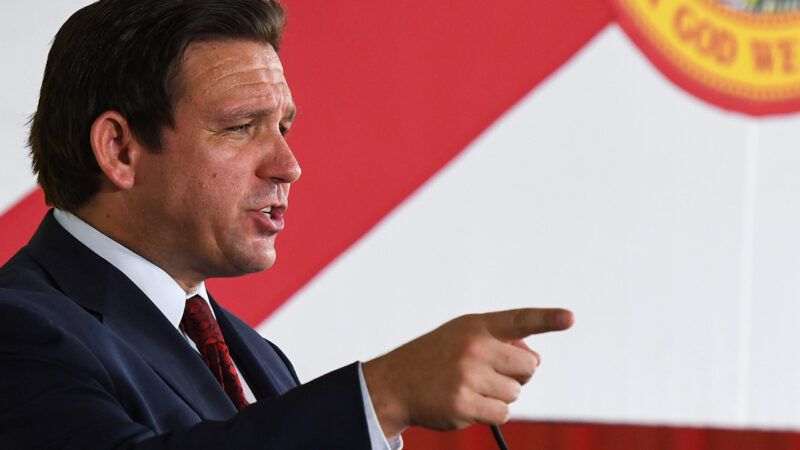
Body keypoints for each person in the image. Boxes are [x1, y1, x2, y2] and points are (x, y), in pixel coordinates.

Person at [0, 0, 574, 448]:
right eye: (241, 127)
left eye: (284, 128)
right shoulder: (18, 327)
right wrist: (382, 396)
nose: (288, 166)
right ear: (120, 150)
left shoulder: (256, 354)